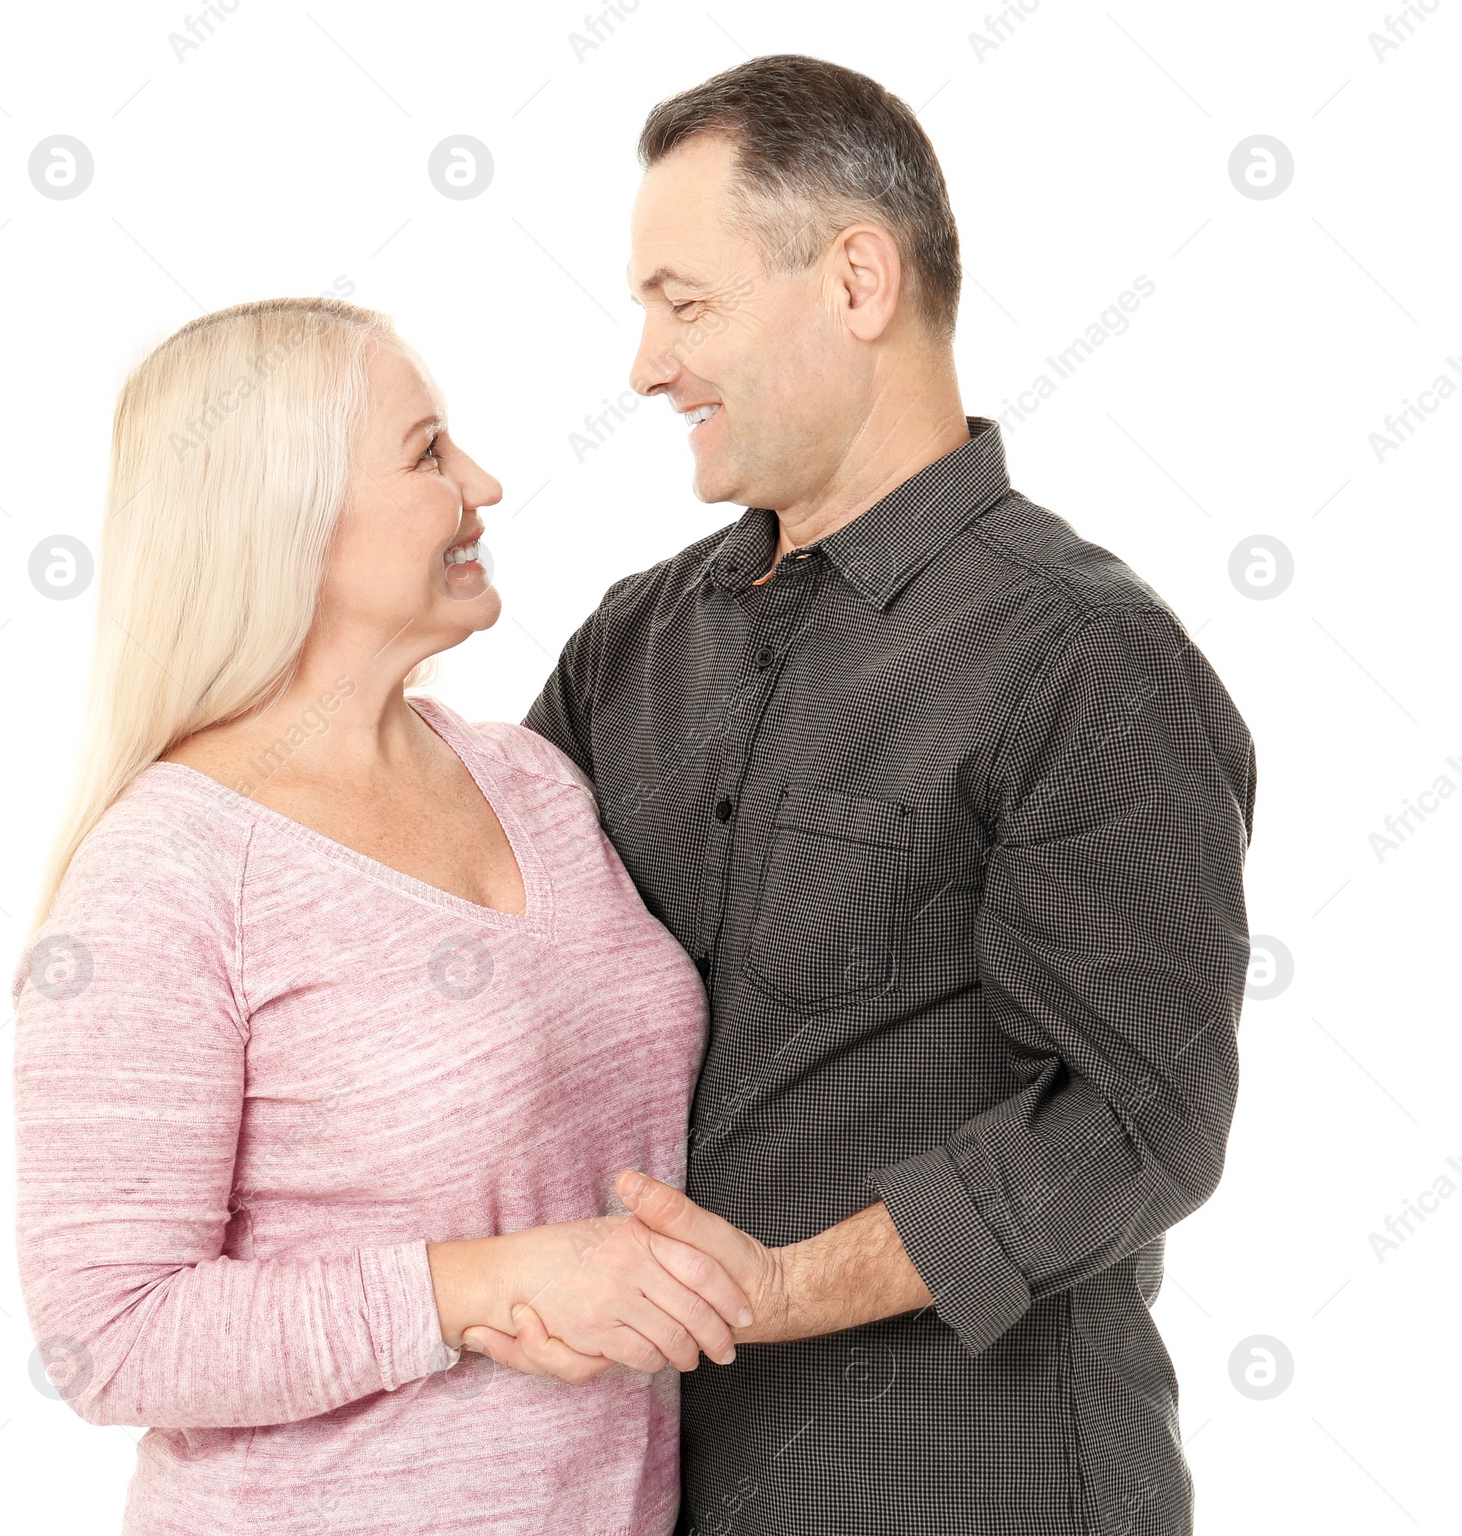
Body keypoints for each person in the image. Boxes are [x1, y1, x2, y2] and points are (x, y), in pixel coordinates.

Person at [520, 55, 1258, 1536]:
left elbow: (1141, 1123)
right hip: (653, 1486)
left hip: (980, 1487)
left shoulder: (1081, 655)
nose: (647, 365)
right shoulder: (628, 649)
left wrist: (784, 1288)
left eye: (688, 301)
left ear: (858, 279)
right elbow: (495, 970)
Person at [12, 297, 756, 1536]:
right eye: (426, 453)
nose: (485, 482)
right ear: (284, 521)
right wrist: (475, 1286)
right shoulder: (168, 873)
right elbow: (108, 1334)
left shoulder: (531, 780)